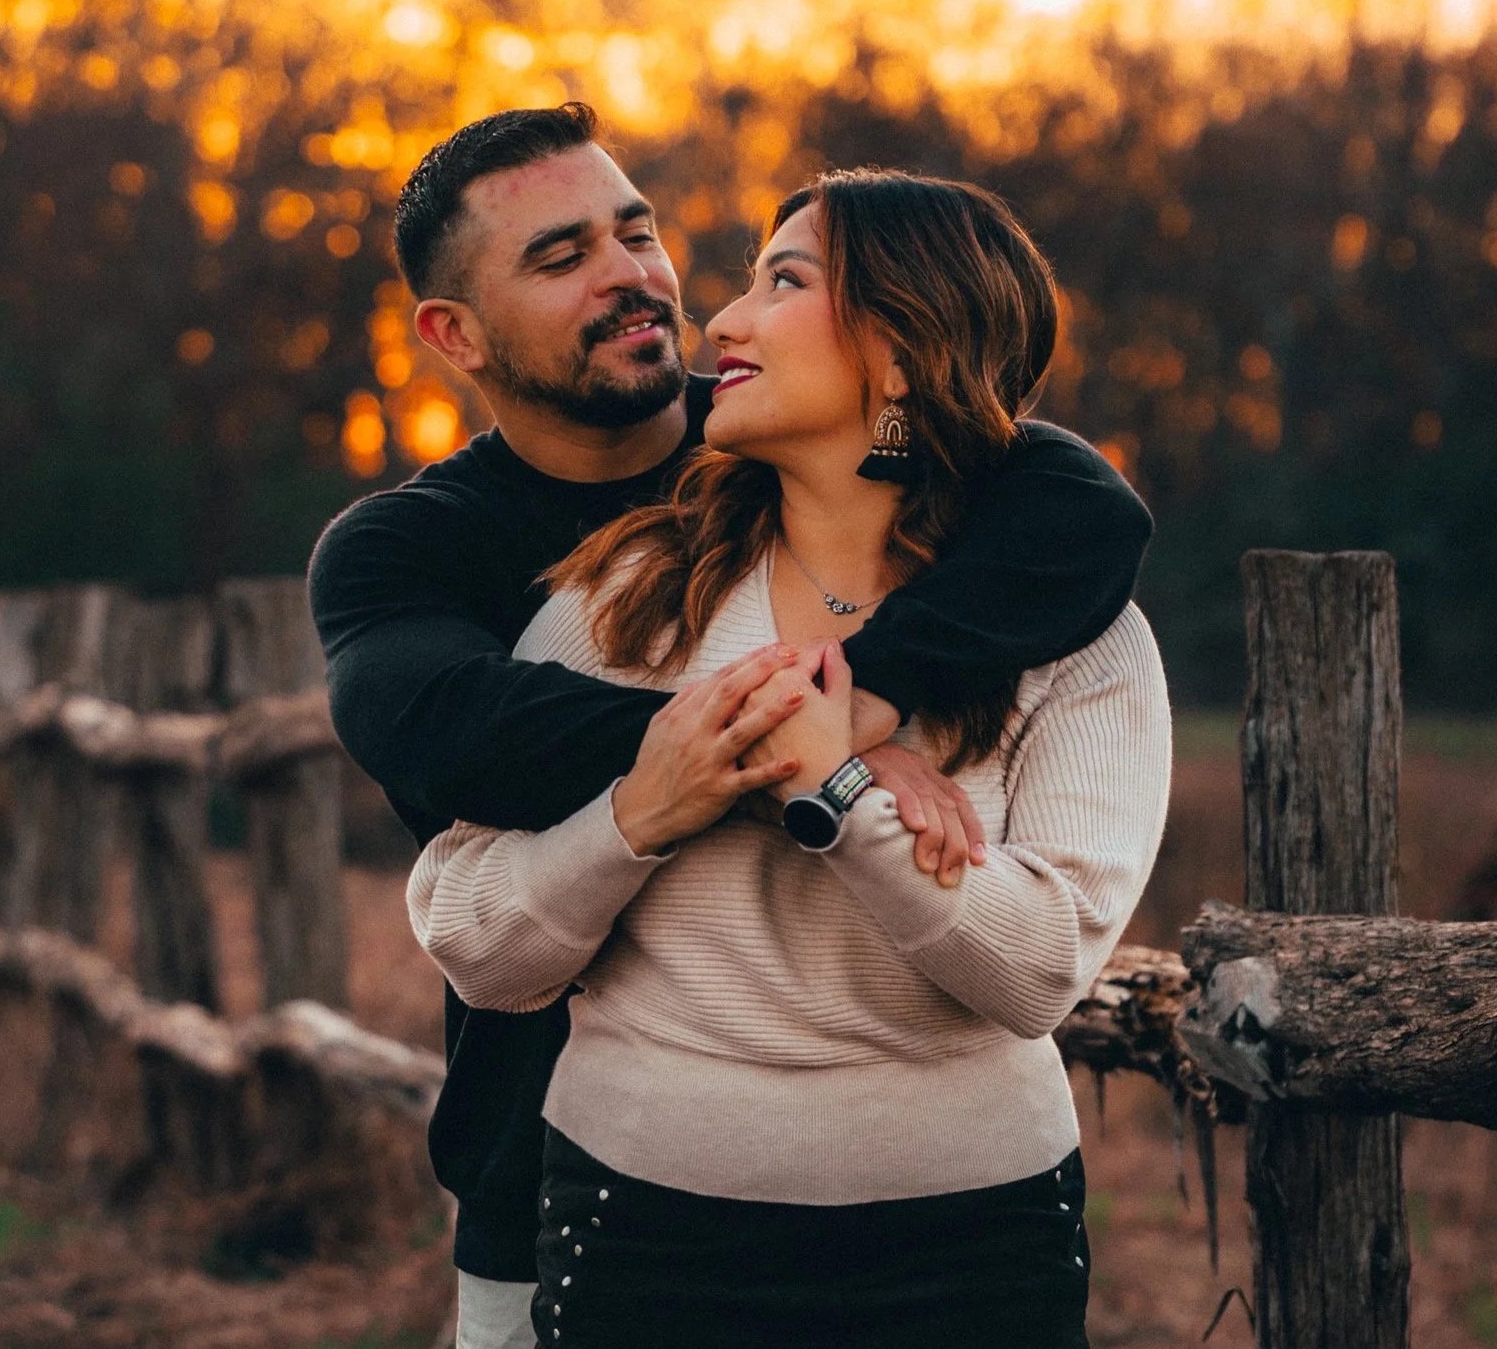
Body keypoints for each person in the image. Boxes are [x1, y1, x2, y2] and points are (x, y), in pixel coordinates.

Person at [306, 103, 1153, 1349]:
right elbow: (445, 725)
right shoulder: (439, 551)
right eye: (561, 257)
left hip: (965, 1233)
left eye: (634, 232)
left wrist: (863, 691)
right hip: (563, 1181)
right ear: (453, 333)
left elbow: (1088, 506)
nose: (637, 280)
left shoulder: (798, 429)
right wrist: (798, 751)